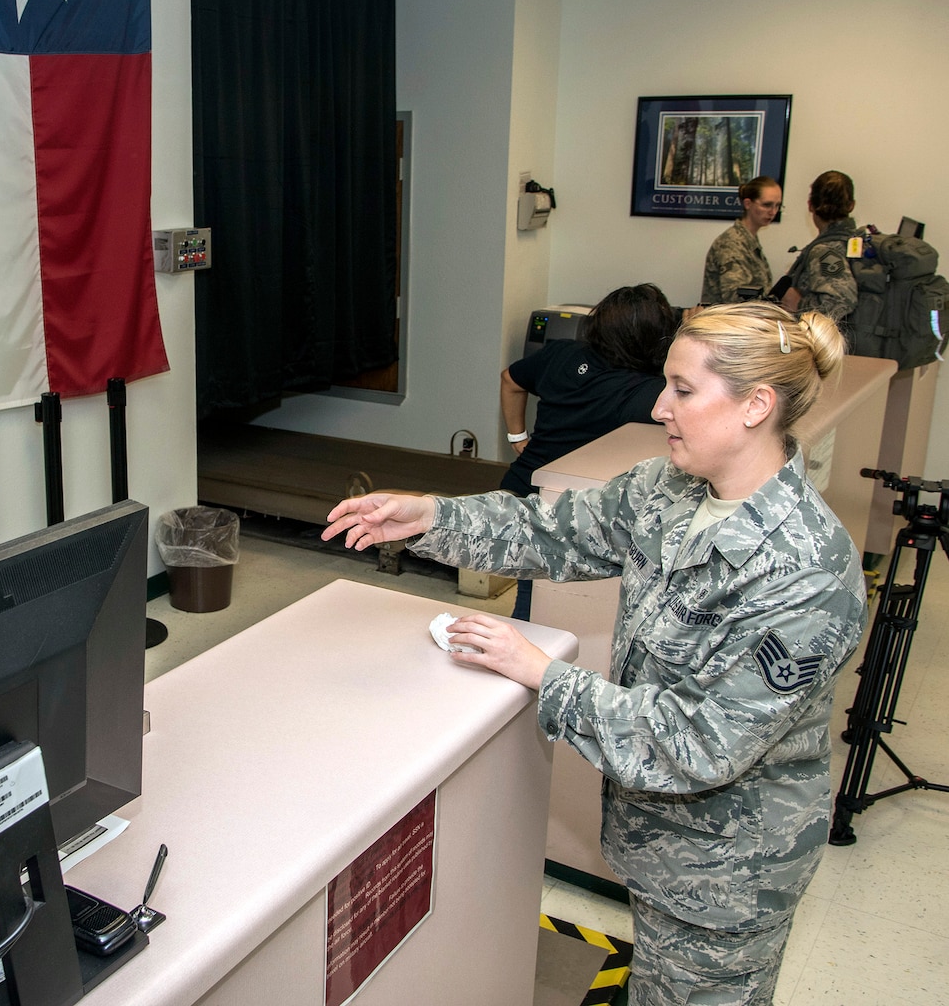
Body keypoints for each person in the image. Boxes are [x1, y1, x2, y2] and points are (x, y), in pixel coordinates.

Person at [325, 303, 863, 1005]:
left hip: (728, 874)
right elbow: (548, 531)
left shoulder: (805, 570)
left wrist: (543, 676)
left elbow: (700, 744)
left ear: (755, 405)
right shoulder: (669, 487)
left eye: (682, 389)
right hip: (656, 843)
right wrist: (430, 515)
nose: (661, 406)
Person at [500, 283, 678, 619]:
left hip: (524, 489)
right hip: (580, 515)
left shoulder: (561, 354)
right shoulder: (652, 393)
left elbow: (510, 379)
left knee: (532, 592)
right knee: (549, 610)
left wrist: (517, 435)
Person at [781, 170, 859, 323]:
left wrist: (800, 305)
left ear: (810, 205)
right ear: (851, 206)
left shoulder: (825, 251)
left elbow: (840, 301)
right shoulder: (855, 243)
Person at [701, 176, 781, 305]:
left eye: (777, 205)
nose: (773, 212)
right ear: (748, 204)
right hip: (728, 321)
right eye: (767, 205)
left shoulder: (749, 240)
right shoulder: (731, 244)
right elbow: (736, 298)